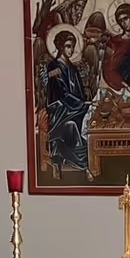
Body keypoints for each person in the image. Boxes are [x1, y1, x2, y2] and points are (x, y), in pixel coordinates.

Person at [42, 28, 92, 175]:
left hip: (74, 107)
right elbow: (61, 92)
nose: (71, 50)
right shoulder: (54, 67)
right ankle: (83, 165)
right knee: (72, 127)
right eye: (68, 46)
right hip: (60, 110)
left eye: (72, 46)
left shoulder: (72, 67)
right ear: (60, 46)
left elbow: (79, 92)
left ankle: (85, 162)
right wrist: (80, 104)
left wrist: (83, 102)